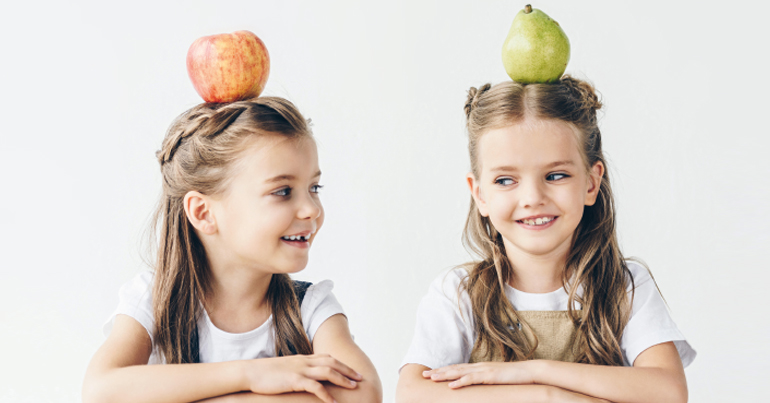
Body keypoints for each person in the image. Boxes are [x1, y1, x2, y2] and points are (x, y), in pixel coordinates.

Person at [397, 76, 695, 403]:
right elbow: (412, 393)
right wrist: (546, 396)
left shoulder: (625, 288)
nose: (533, 197)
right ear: (479, 194)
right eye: (506, 180)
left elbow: (668, 393)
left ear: (592, 183)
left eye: (555, 175)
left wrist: (535, 372)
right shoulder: (460, 294)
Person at [83, 97, 381, 403]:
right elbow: (101, 392)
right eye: (282, 191)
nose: (311, 210)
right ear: (203, 213)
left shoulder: (311, 308)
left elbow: (362, 395)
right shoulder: (153, 300)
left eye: (314, 188)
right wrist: (251, 374)